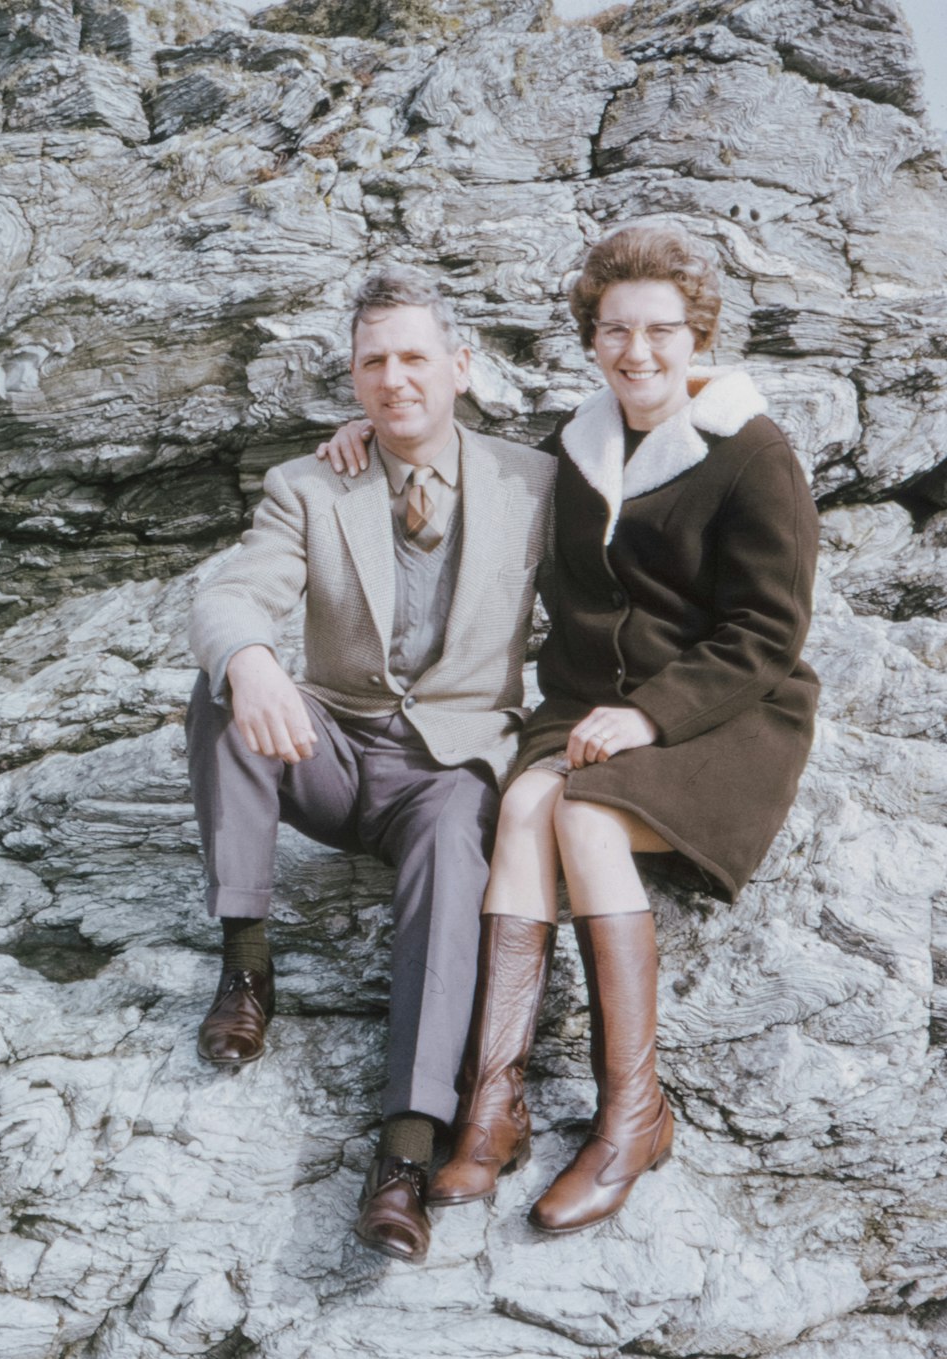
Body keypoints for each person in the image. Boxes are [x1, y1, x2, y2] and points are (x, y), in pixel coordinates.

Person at [322, 225, 819, 1237]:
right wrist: (366, 445)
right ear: (591, 339)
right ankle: (492, 1103)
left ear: (697, 335)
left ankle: (632, 1118)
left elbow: (767, 632)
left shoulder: (753, 453)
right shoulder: (575, 447)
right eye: (615, 332)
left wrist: (649, 713)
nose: (637, 353)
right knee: (523, 810)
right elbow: (468, 487)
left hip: (721, 715)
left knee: (583, 825)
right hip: (586, 709)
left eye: (660, 333)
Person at [186, 268, 555, 1264]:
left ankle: (401, 1158)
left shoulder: (537, 482)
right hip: (336, 754)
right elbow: (230, 596)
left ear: (460, 366)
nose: (395, 378)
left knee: (451, 850)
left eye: (414, 357)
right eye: (373, 361)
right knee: (226, 683)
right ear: (353, 378)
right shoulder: (309, 483)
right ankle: (248, 965)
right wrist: (255, 658)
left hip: (451, 769)